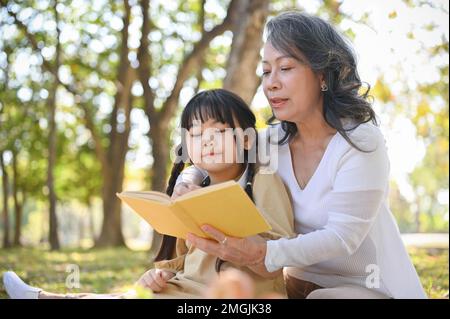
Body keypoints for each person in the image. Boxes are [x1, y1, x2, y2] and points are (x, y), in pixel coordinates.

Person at [174, 12, 426, 299]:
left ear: (322, 75)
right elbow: (217, 154)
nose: (271, 83)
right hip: (294, 285)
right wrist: (188, 178)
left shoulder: (359, 142)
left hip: (366, 285)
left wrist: (263, 252)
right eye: (266, 71)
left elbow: (343, 237)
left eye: (285, 68)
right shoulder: (270, 141)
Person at [3, 89, 295, 299]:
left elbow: (281, 255)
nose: (206, 141)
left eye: (218, 132)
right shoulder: (195, 192)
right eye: (194, 134)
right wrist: (161, 274)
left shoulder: (263, 182)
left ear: (245, 140)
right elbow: (188, 257)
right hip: (185, 288)